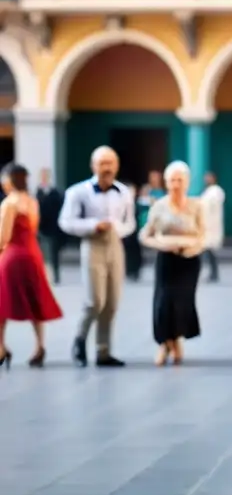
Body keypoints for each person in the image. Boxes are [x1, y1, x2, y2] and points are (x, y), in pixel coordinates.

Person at [58, 146, 136, 368]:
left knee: (111, 302)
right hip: (92, 244)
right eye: (102, 163)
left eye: (110, 163)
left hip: (115, 245)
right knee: (95, 300)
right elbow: (65, 222)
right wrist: (93, 225)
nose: (107, 168)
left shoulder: (123, 192)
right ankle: (79, 338)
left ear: (117, 166)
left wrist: (116, 229)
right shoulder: (78, 192)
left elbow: (130, 222)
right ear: (93, 166)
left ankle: (103, 351)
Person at [140, 161, 205, 366]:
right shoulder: (159, 206)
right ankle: (164, 344)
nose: (176, 184)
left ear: (186, 182)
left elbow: (203, 234)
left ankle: (176, 341)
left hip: (189, 261)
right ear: (166, 183)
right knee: (164, 302)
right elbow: (145, 234)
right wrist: (160, 244)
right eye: (172, 180)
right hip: (167, 260)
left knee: (182, 302)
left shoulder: (196, 205)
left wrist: (192, 247)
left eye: (180, 180)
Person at [0, 164, 63, 369]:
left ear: (9, 180)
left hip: (13, 256)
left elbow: (3, 238)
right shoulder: (32, 201)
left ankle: (0, 347)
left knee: (3, 301)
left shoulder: (9, 203)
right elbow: (33, 229)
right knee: (35, 300)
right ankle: (39, 346)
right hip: (33, 254)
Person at [35, 168, 65, 284]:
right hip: (40, 226)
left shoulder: (55, 192)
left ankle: (56, 275)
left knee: (54, 253)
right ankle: (41, 275)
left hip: (53, 227)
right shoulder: (37, 192)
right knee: (39, 252)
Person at [200, 171, 225, 283]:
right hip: (205, 224)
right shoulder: (207, 192)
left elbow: (212, 205)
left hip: (212, 224)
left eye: (208, 177)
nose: (206, 179)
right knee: (206, 250)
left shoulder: (217, 191)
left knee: (211, 250)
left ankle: (214, 273)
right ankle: (212, 273)